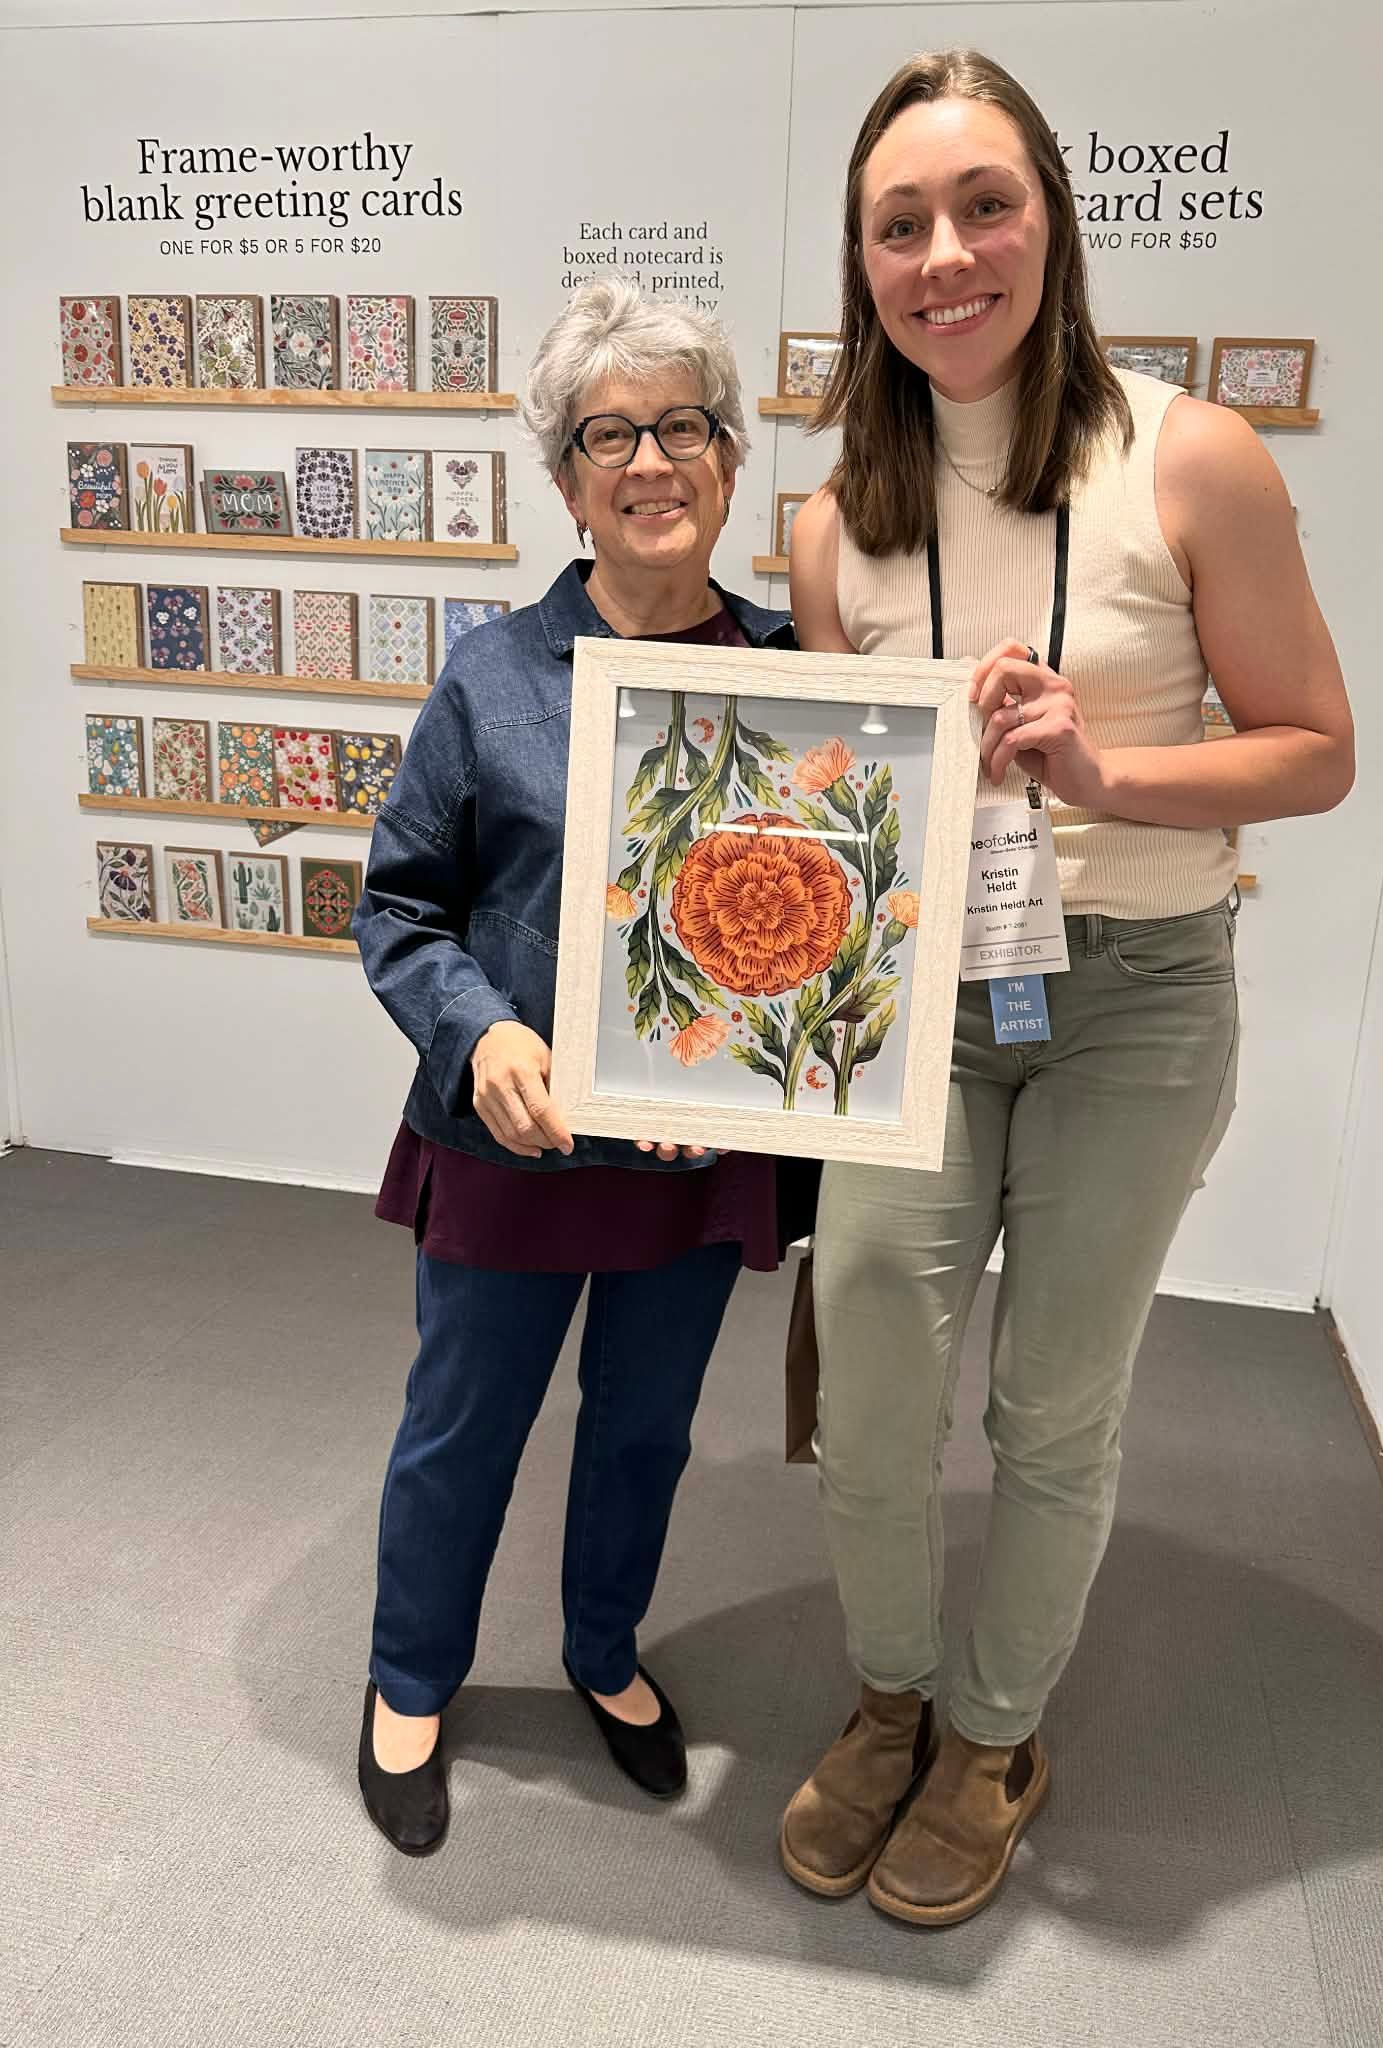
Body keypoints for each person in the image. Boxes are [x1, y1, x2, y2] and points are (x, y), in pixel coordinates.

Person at [778, 49, 1353, 1926]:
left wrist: (1104, 773)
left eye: (985, 205)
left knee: (1057, 1403)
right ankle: (889, 1701)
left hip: (1136, 990)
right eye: (900, 223)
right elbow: (832, 806)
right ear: (862, 261)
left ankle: (997, 1734)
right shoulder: (828, 519)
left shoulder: (1188, 456)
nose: (947, 254)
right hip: (919, 998)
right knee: (869, 1366)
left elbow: (1315, 748)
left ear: (1053, 225)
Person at [353, 279, 810, 1857]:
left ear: (731, 460)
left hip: (697, 1154)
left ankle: (602, 1650)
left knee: (645, 1428)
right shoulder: (490, 676)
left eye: (682, 425)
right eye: (609, 434)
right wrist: (477, 1029)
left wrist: (768, 1072)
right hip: (515, 1144)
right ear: (567, 481)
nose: (650, 460)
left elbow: (834, 918)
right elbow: (400, 906)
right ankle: (409, 1675)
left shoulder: (800, 674)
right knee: (463, 1422)